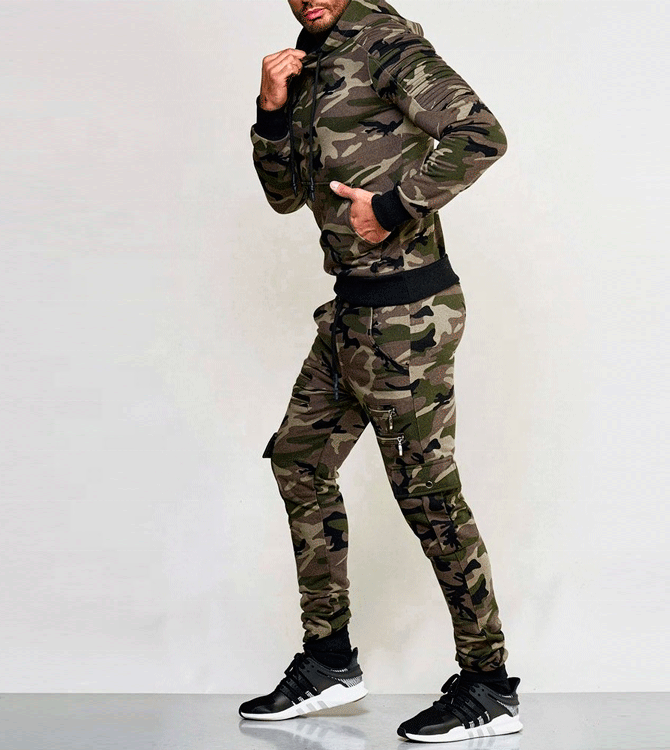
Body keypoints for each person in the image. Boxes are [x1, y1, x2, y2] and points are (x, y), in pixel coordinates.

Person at [238, 0, 522, 742]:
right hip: (350, 313)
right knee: (300, 462)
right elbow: (284, 197)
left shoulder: (384, 45)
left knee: (429, 499)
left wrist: (394, 207)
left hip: (406, 318)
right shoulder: (308, 63)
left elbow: (481, 132)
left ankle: (489, 686)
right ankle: (329, 661)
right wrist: (272, 112)